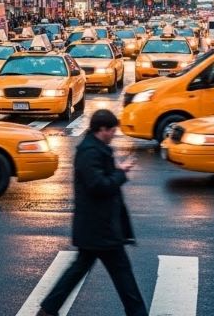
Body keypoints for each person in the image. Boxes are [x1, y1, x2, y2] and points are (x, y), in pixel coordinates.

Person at [38, 110, 147, 316]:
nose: (115, 133)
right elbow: (99, 186)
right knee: (123, 277)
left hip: (97, 228)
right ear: (102, 129)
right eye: (112, 130)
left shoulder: (95, 148)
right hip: (101, 228)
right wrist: (121, 173)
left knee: (79, 270)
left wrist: (117, 171)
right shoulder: (90, 152)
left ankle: (48, 309)